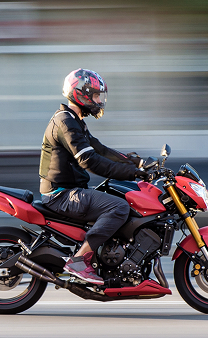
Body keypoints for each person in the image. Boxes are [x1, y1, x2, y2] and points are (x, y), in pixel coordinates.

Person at [39, 68, 148, 285]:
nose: (100, 101)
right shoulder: (65, 122)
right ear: (81, 93)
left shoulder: (75, 121)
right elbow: (90, 161)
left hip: (70, 191)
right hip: (61, 195)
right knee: (118, 207)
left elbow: (100, 149)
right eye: (96, 95)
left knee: (118, 196)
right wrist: (133, 173)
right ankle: (79, 260)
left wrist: (138, 163)